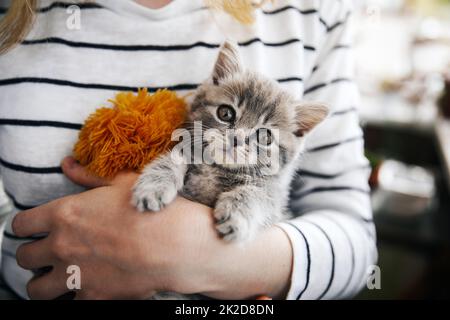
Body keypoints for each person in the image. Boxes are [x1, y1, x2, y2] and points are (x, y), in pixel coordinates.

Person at [0, 0, 377, 300]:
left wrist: (197, 254)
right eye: (228, 115)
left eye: (261, 137)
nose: (237, 139)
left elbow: (357, 244)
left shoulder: (315, 10)